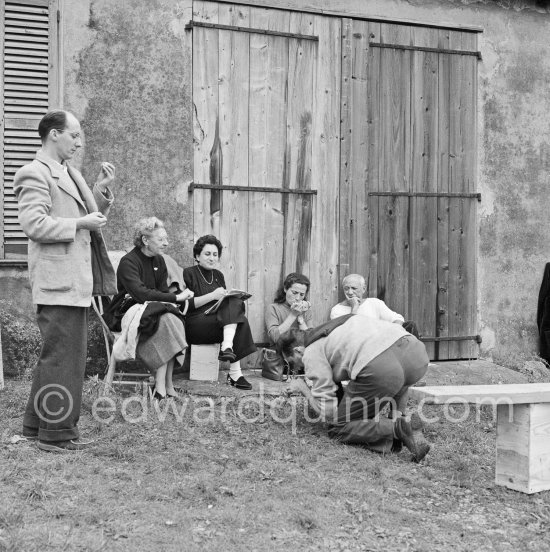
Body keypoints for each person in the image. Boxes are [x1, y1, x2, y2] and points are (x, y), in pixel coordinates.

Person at [15, 109, 116, 453]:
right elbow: (34, 225)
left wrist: (99, 191)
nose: (79, 142)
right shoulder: (33, 173)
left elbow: (85, 215)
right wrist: (80, 224)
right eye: (74, 135)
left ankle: (34, 426)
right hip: (57, 282)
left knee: (56, 355)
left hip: (73, 281)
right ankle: (56, 434)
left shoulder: (68, 172)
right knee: (64, 359)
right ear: (53, 134)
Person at [278, 315, 430, 461]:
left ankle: (399, 429)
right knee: (399, 377)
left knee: (339, 428)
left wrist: (303, 388)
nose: (296, 368)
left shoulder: (310, 351)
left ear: (298, 350)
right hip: (416, 354)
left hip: (382, 366)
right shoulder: (334, 328)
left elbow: (329, 413)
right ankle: (400, 420)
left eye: (292, 362)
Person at [113, 217, 194, 400]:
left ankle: (166, 386)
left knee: (174, 319)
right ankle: (162, 386)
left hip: (152, 311)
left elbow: (161, 292)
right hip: (127, 311)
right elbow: (140, 294)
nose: (166, 243)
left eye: (166, 239)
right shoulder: (129, 262)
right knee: (166, 319)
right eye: (161, 239)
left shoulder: (160, 261)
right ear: (145, 240)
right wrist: (176, 297)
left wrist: (171, 300)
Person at [183, 235, 256, 390]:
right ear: (197, 256)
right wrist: (213, 295)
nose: (212, 258)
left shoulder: (218, 275)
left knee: (236, 307)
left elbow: (223, 303)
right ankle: (234, 371)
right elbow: (185, 305)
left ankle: (228, 351)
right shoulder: (188, 273)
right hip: (195, 324)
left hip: (215, 321)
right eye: (207, 254)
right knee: (238, 319)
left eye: (215, 255)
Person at [330, 274, 419, 337]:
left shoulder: (374, 303)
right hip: (360, 345)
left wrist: (393, 331)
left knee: (410, 325)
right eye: (346, 288)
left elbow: (397, 319)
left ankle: (416, 360)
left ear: (363, 289)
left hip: (381, 340)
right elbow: (346, 333)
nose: (349, 292)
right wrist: (354, 308)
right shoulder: (337, 310)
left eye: (354, 288)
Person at [265, 272, 312, 345]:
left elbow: (311, 339)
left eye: (302, 294)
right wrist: (293, 315)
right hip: (279, 353)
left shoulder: (306, 311)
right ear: (285, 289)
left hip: (302, 352)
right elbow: (275, 338)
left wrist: (300, 317)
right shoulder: (273, 308)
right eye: (294, 292)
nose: (297, 298)